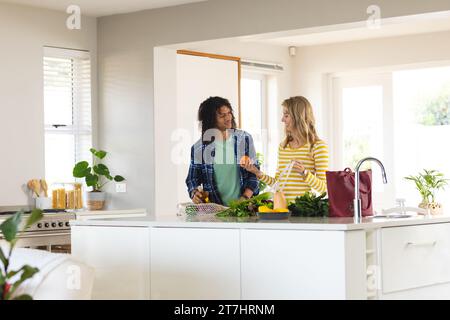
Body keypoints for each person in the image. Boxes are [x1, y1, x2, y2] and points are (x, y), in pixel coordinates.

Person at [241, 96, 329, 204]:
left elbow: (324, 189)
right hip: (281, 209)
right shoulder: (283, 147)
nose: (282, 119)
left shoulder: (317, 146)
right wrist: (257, 172)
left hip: (303, 211)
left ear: (298, 118)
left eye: (286, 115)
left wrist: (305, 173)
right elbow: (278, 184)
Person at [186, 96, 259, 205]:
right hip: (215, 211)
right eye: (222, 115)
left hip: (245, 208)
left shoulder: (244, 139)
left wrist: (244, 198)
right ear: (210, 120)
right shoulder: (199, 148)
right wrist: (194, 193)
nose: (228, 117)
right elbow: (192, 179)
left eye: (229, 113)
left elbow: (255, 173)